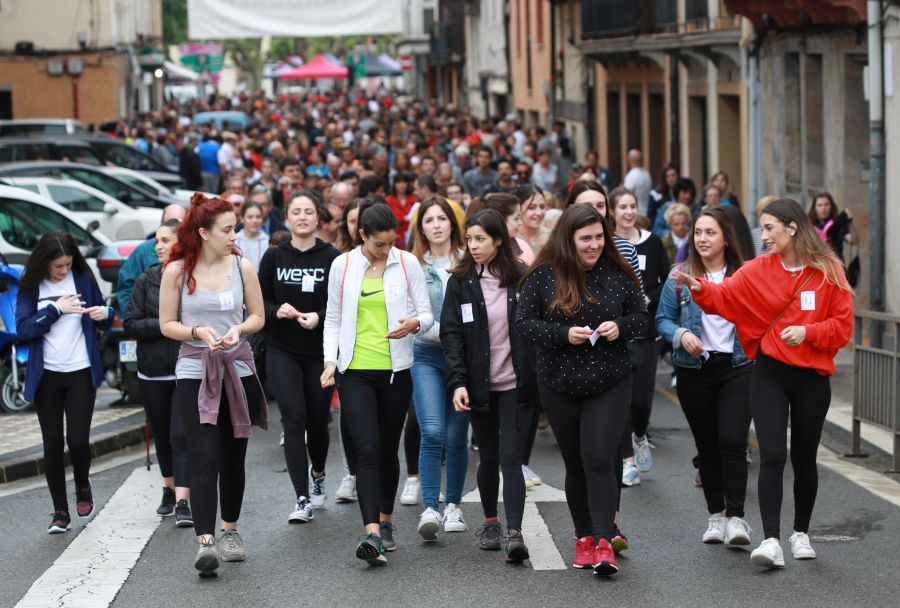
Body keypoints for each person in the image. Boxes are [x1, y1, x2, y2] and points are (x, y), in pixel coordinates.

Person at [675, 198, 853, 570]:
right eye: (762, 227)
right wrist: (700, 288)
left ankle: (800, 532)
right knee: (772, 454)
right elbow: (726, 296)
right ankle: (771, 539)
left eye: (770, 227)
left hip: (812, 376)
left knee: (804, 459)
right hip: (769, 372)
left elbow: (842, 327)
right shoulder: (758, 268)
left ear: (792, 228)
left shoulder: (829, 270)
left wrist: (808, 331)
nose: (764, 235)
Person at [516, 204, 648, 575]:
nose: (593, 245)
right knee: (575, 463)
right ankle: (584, 537)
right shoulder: (543, 276)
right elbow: (524, 324)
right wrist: (562, 334)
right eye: (585, 238)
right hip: (559, 382)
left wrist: (619, 326)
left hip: (611, 380)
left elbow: (642, 318)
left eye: (598, 237)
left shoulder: (618, 274)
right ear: (568, 239)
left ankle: (605, 541)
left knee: (598, 457)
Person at [159, 193, 268, 578]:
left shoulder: (243, 266)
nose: (233, 234)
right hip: (195, 369)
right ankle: (205, 541)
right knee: (204, 453)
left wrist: (239, 328)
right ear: (203, 232)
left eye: (234, 227)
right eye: (226, 229)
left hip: (237, 366)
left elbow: (258, 316)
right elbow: (166, 324)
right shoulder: (176, 270)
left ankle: (231, 531)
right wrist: (196, 331)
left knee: (233, 456)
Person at [321, 201, 433, 566]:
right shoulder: (343, 264)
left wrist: (414, 325)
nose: (386, 250)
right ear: (362, 235)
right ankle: (371, 531)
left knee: (387, 449)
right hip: (354, 371)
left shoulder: (407, 262)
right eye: (379, 244)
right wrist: (330, 362)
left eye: (391, 242)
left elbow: (427, 313)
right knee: (366, 449)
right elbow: (333, 319)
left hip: (396, 371)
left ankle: (386, 522)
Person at [441, 209, 536, 564]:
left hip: (515, 384)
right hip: (478, 386)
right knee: (489, 457)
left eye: (481, 239)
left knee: (511, 458)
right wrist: (458, 383)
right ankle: (491, 523)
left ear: (499, 240)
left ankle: (515, 533)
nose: (474, 246)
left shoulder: (522, 278)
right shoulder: (461, 280)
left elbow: (535, 329)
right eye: (470, 239)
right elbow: (451, 336)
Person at [656, 207, 753, 547]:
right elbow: (662, 320)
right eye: (698, 233)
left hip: (737, 368)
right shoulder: (679, 275)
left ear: (726, 237)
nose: (702, 239)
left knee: (733, 442)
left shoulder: (744, 275)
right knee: (707, 446)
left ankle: (737, 518)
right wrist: (681, 334)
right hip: (694, 371)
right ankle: (716, 515)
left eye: (710, 232)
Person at [16, 232, 114, 534]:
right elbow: (23, 329)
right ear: (44, 263)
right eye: (58, 266)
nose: (63, 271)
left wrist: (104, 314)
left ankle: (82, 483)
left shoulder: (82, 277)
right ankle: (60, 511)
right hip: (47, 375)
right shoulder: (31, 285)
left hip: (81, 371)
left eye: (68, 264)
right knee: (53, 443)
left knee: (78, 440)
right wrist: (55, 309)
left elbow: (106, 317)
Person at [258, 190, 340, 523]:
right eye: (296, 211)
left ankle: (318, 473)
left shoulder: (332, 257)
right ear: (286, 218)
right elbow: (258, 303)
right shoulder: (274, 257)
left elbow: (340, 305)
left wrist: (318, 317)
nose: (303, 216)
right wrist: (278, 311)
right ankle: (301, 497)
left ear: (318, 218)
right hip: (282, 349)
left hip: (320, 352)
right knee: (293, 418)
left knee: (317, 420)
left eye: (309, 211)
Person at [124, 219, 192, 527]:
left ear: (182, 242)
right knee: (163, 435)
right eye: (158, 241)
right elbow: (131, 323)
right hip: (151, 371)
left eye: (166, 240)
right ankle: (168, 488)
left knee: (181, 434)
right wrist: (166, 326)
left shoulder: (193, 278)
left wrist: (176, 328)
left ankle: (182, 500)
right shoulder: (146, 279)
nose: (159, 246)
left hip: (185, 369)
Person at [409, 196, 470, 541]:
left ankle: (454, 505)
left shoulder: (467, 262)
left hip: (463, 361)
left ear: (452, 223)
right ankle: (430, 506)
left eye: (441, 218)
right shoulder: (413, 265)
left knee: (456, 436)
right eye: (428, 220)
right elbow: (412, 319)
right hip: (427, 356)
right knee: (431, 431)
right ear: (420, 228)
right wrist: (442, 329)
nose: (435, 224)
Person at [610, 187, 670, 487]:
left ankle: (639, 434)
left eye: (632, 206)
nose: (628, 212)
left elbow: (667, 278)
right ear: (613, 211)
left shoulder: (652, 243)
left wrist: (649, 298)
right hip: (618, 330)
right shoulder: (607, 245)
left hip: (646, 329)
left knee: (642, 396)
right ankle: (626, 460)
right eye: (622, 207)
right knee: (622, 393)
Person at [116, 204, 187, 317]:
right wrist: (134, 317)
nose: (174, 227)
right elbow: (125, 287)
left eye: (180, 223)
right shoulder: (143, 252)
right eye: (169, 222)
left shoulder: (196, 257)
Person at [481, 193, 535, 266]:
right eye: (516, 218)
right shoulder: (479, 248)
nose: (520, 222)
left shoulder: (523, 247)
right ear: (500, 220)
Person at [807, 192, 858, 260]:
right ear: (814, 208)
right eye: (820, 205)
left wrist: (850, 222)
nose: (823, 208)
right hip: (817, 265)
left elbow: (854, 241)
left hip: (837, 265)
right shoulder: (809, 225)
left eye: (826, 204)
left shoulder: (838, 223)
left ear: (831, 206)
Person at [515, 185, 550, 255]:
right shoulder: (510, 238)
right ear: (518, 208)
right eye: (531, 208)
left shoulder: (552, 237)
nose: (539, 213)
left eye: (542, 207)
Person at [235, 202, 269, 270]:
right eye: (250, 217)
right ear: (242, 218)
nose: (254, 220)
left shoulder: (267, 242)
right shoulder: (234, 240)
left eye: (258, 217)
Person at [623, 149, 652, 216]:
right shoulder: (647, 173)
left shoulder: (632, 175)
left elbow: (625, 195)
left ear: (629, 160)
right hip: (646, 212)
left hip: (636, 213)